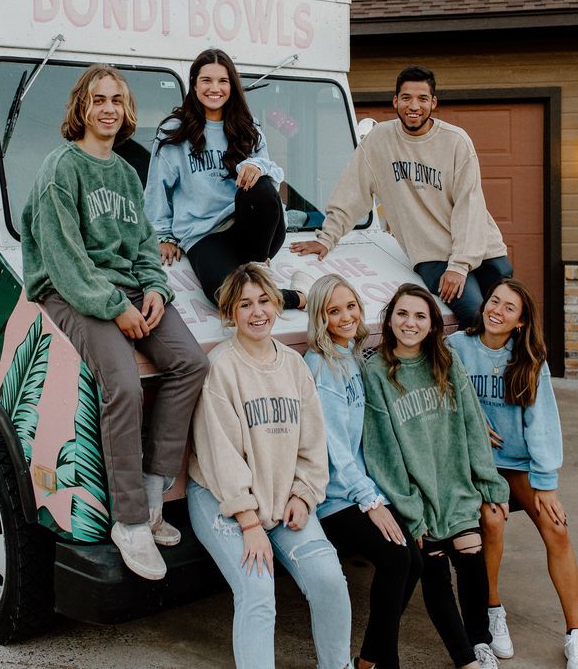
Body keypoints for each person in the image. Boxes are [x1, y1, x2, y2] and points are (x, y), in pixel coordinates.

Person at [20, 64, 208, 581]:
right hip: (69, 292)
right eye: (98, 99)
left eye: (117, 101)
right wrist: (114, 306)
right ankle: (127, 522)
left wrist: (153, 290)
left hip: (126, 289)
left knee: (191, 363)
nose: (108, 108)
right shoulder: (61, 167)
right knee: (122, 383)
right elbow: (63, 257)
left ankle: (151, 494)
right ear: (82, 107)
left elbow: (146, 246)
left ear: (127, 112)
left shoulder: (126, 172)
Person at [187, 263, 351, 669]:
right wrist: (248, 522)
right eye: (245, 305)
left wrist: (304, 495)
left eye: (264, 301)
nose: (257, 312)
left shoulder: (293, 366)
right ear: (230, 313)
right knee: (259, 591)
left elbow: (313, 445)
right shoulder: (223, 368)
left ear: (277, 305)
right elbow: (220, 455)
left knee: (330, 580)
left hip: (283, 496)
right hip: (223, 499)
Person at [292, 65, 513, 328]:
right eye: (406, 98)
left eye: (422, 98)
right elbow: (352, 192)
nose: (414, 106)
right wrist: (327, 238)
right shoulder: (379, 140)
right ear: (395, 101)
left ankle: (522, 370)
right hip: (433, 254)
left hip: (482, 248)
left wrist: (460, 265)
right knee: (476, 319)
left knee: (511, 318)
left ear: (433, 102)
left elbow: (470, 206)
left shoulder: (456, 141)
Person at [362, 283, 509, 669]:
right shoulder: (376, 372)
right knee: (436, 570)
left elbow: (474, 426)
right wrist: (409, 506)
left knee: (472, 555)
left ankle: (480, 642)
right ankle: (466, 660)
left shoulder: (445, 361)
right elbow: (382, 451)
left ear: (431, 326)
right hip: (416, 494)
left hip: (455, 485)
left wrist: (490, 483)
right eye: (403, 314)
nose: (410, 323)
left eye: (420, 316)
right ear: (390, 319)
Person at [448, 278, 578, 669]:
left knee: (556, 528)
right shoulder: (458, 347)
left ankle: (574, 632)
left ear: (520, 322)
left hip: (518, 463)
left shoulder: (529, 361)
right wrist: (469, 417)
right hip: (479, 463)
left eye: (509, 308)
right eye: (494, 301)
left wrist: (546, 484)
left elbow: (541, 425)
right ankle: (492, 610)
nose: (497, 311)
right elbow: (439, 388)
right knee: (492, 519)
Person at [304, 275, 422, 669]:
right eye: (333, 311)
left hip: (360, 488)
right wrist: (370, 501)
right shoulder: (321, 367)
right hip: (335, 499)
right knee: (395, 557)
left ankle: (370, 658)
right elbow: (335, 448)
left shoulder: (351, 357)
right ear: (320, 318)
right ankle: (385, 662)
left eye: (350, 306)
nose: (345, 316)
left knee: (414, 559)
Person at [144, 48, 308, 310]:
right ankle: (298, 296)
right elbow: (157, 188)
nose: (215, 88)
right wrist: (163, 235)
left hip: (254, 232)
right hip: (205, 235)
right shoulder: (174, 131)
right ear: (194, 86)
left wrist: (255, 165)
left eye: (223, 81)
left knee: (260, 180)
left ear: (232, 85)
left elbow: (273, 182)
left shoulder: (248, 128)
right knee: (224, 297)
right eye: (206, 80)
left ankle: (257, 268)